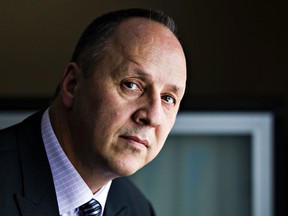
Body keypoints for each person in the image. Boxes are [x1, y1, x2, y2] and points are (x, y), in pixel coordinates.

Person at [0, 8, 186, 216]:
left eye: (168, 98)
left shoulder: (138, 209)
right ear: (72, 85)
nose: (153, 116)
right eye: (132, 85)